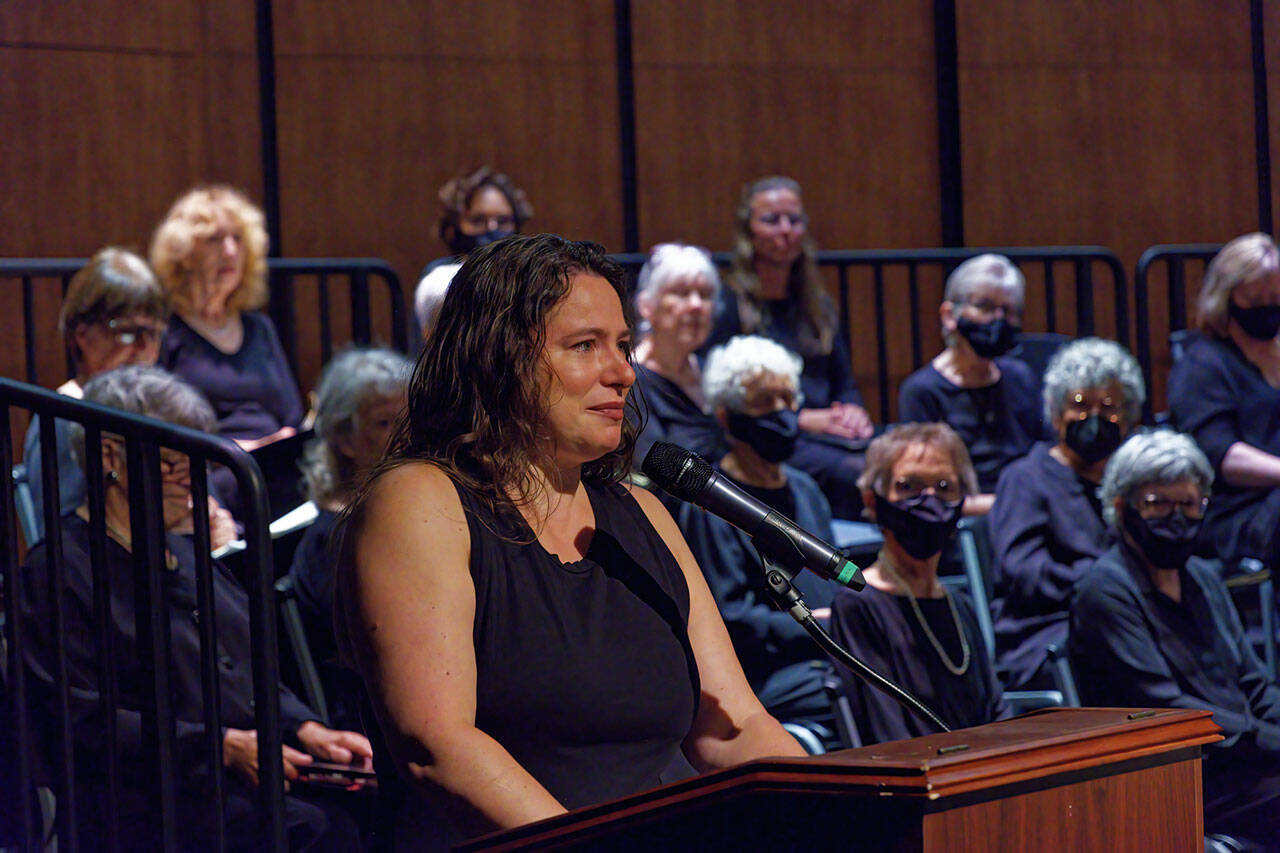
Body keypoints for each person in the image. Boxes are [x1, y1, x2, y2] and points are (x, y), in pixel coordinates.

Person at [334, 235, 804, 849]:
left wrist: (842, 808)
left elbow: (733, 726)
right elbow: (438, 745)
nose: (623, 372)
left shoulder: (642, 512)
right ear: (497, 359)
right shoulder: (419, 502)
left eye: (625, 346)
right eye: (586, 346)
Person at [16, 366, 370, 851]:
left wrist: (307, 729)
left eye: (195, 461)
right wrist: (220, 746)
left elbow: (247, 671)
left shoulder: (184, 552)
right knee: (319, 832)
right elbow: (75, 719)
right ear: (108, 458)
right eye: (171, 463)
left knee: (382, 802)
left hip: (243, 777)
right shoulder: (60, 568)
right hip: (156, 799)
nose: (192, 479)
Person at [1070, 430, 1280, 847]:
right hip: (1171, 780)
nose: (1177, 517)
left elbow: (1253, 681)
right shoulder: (1104, 591)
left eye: (1188, 504)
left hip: (1242, 765)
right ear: (1121, 507)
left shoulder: (1202, 575)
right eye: (1157, 504)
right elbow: (1165, 708)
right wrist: (1267, 740)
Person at [673, 334, 839, 728]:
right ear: (727, 417)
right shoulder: (711, 505)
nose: (781, 412)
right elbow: (734, 620)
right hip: (766, 674)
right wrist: (818, 623)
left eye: (787, 399)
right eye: (764, 402)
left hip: (825, 654)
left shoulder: (805, 489)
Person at [703, 176, 873, 518]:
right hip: (772, 437)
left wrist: (853, 410)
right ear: (748, 231)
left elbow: (845, 383)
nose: (785, 230)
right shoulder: (729, 305)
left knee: (889, 459)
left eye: (794, 220)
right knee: (857, 473)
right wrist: (804, 418)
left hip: (830, 434)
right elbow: (722, 396)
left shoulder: (817, 305)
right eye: (771, 220)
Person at [829, 422, 1008, 745]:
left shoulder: (960, 605)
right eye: (908, 486)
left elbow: (996, 711)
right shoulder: (858, 604)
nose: (929, 500)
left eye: (943, 486)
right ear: (873, 501)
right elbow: (886, 733)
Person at [989, 337, 1145, 690]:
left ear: (1130, 417)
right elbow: (1024, 572)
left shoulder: (1133, 480)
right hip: (1048, 631)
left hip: (1126, 619)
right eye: (1080, 404)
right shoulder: (1025, 478)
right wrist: (1105, 584)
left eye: (1109, 406)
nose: (1094, 417)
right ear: (1057, 414)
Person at [288, 347, 411, 731]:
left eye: (409, 418)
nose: (405, 435)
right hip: (372, 717)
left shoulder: (404, 503)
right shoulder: (335, 541)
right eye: (384, 422)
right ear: (345, 439)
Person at [22, 247, 172, 544]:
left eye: (152, 332)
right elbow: (64, 542)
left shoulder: (162, 408)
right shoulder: (63, 420)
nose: (143, 347)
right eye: (127, 331)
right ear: (82, 334)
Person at [150, 184, 304, 452]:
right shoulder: (164, 331)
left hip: (274, 465)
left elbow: (292, 415)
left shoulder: (259, 327)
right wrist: (241, 448)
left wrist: (281, 442)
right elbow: (161, 429)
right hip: (208, 470)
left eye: (238, 239)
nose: (230, 251)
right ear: (184, 255)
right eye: (215, 239)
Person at [897, 253, 1045, 513]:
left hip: (1027, 506)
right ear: (949, 315)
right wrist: (1006, 505)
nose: (997, 320)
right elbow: (926, 490)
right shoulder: (921, 391)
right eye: (985, 307)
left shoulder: (1021, 377)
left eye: (1008, 311)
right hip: (965, 524)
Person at [1168, 232, 1280, 571]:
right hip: (1236, 511)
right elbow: (1221, 456)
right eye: (1254, 298)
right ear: (1226, 299)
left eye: (1275, 296)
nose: (1268, 307)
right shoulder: (1203, 365)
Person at [631, 242, 728, 467]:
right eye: (681, 293)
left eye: (705, 295)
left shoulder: (712, 371)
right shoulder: (630, 381)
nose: (696, 305)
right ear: (647, 306)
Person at [414, 166, 534, 340]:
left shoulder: (531, 276)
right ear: (451, 229)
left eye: (503, 221)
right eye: (478, 220)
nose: (492, 229)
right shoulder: (438, 280)